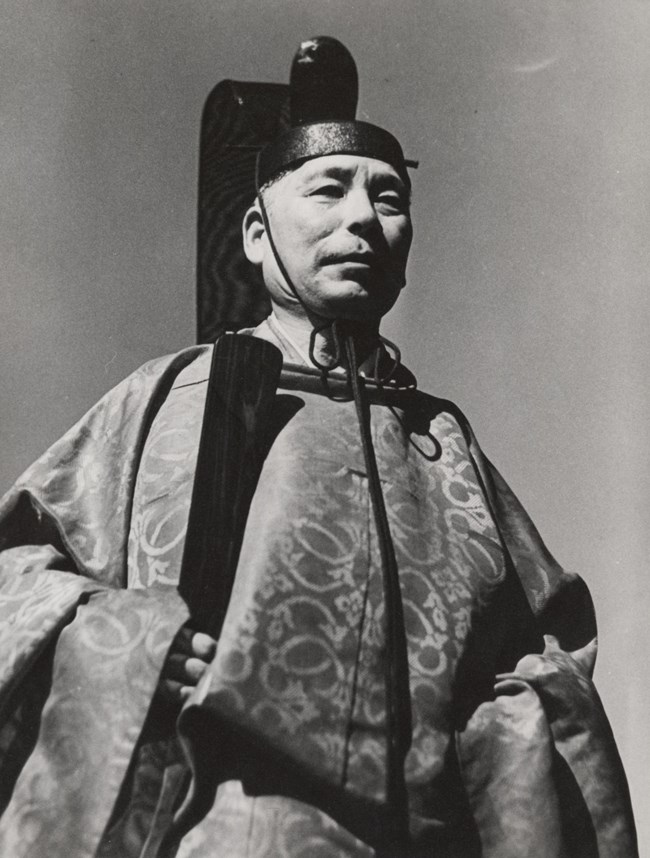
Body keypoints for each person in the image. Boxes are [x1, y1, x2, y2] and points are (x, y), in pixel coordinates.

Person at [0, 37, 637, 858]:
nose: (363, 219)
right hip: (222, 824)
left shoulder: (441, 437)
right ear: (258, 234)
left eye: (390, 197)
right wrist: (129, 646)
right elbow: (14, 568)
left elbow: (548, 650)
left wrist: (494, 718)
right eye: (329, 188)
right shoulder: (170, 394)